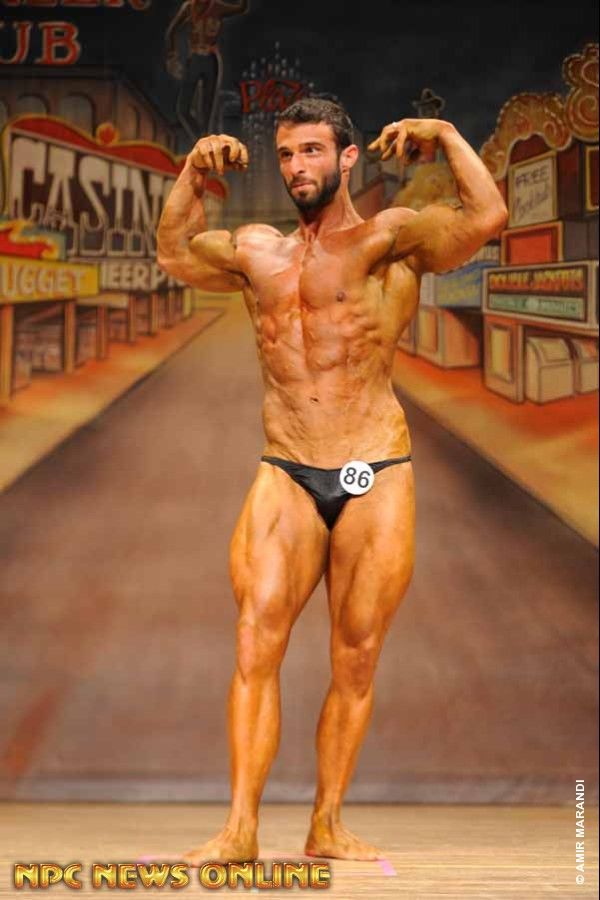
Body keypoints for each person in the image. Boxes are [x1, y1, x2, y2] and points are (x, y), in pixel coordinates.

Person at [156, 98, 507, 862]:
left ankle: (327, 823)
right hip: (287, 466)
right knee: (255, 640)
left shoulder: (390, 240)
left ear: (347, 157)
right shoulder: (256, 251)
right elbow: (175, 252)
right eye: (287, 154)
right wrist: (190, 173)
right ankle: (240, 829)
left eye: (312, 151)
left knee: (356, 654)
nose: (297, 167)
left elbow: (486, 216)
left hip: (373, 467)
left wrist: (448, 135)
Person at [165, 0, 249, 141]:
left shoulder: (217, 7)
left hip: (211, 59)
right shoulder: (189, 7)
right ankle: (202, 140)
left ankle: (204, 141)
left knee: (206, 113)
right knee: (183, 109)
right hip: (195, 59)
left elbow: (241, 8)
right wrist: (171, 56)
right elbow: (172, 31)